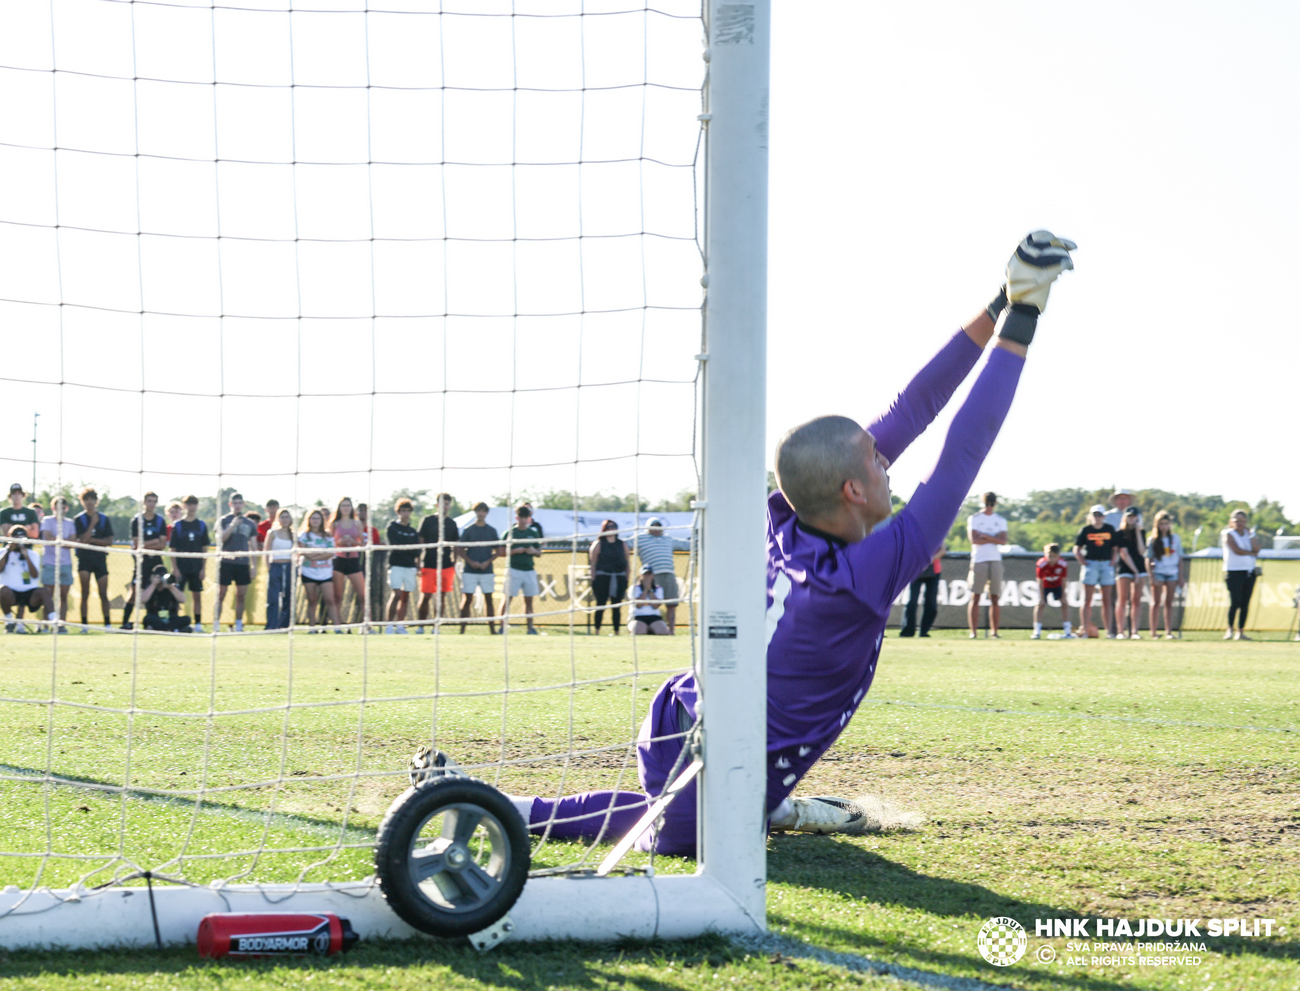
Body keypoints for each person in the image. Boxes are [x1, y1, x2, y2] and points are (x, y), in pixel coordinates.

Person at [407, 230, 1074, 856]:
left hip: (679, 709)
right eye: (877, 463)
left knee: (713, 805)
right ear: (849, 490)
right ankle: (488, 802)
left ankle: (763, 803)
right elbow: (962, 449)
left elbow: (911, 409)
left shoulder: (784, 511)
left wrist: (1001, 296)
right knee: (668, 835)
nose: (888, 463)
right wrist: (1023, 320)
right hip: (717, 750)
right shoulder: (862, 574)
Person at [122, 492, 169, 630]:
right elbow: (137, 545)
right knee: (134, 592)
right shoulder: (137, 520)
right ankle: (124, 622)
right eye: (149, 501)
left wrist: (148, 544)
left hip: (156, 563)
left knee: (155, 591)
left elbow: (163, 544)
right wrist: (154, 541)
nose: (152, 504)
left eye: (154, 501)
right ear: (144, 502)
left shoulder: (160, 520)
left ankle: (152, 623)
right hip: (141, 563)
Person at [631, 517, 687, 632]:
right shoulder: (641, 538)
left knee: (671, 604)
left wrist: (700, 539)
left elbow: (685, 544)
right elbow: (624, 544)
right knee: (653, 603)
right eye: (653, 526)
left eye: (658, 526)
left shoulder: (668, 539)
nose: (656, 529)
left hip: (669, 575)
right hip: (652, 575)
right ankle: (649, 627)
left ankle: (671, 631)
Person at [966, 492, 1008, 639]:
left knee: (995, 596)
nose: (989, 507)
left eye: (991, 504)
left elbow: (1003, 540)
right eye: (986, 504)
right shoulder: (975, 519)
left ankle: (994, 631)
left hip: (995, 559)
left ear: (995, 504)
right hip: (979, 560)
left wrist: (985, 536)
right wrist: (993, 538)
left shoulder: (1000, 520)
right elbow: (974, 540)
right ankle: (973, 632)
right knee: (976, 596)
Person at [215, 492, 259, 633]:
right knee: (221, 594)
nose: (237, 506)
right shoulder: (223, 520)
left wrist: (254, 566)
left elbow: (253, 546)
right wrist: (233, 525)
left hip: (243, 563)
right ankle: (216, 624)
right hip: (226, 562)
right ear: (230, 504)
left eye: (240, 503)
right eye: (235, 503)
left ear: (243, 504)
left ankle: (238, 624)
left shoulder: (250, 523)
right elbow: (221, 539)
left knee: (241, 596)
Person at [417, 493, 460, 631]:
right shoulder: (428, 520)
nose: (444, 506)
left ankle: (436, 626)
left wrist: (454, 561)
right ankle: (421, 626)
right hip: (429, 563)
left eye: (447, 503)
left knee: (441, 597)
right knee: (426, 596)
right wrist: (418, 562)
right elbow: (420, 542)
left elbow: (456, 544)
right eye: (442, 503)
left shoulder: (452, 524)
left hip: (446, 565)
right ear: (437, 505)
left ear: (450, 505)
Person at [74, 488, 114, 630]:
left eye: (92, 499)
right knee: (85, 593)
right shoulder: (79, 519)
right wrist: (92, 525)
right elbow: (82, 541)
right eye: (86, 499)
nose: (89, 502)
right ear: (82, 501)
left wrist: (92, 540)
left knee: (103, 593)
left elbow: (109, 541)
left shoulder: (104, 519)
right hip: (84, 560)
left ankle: (107, 624)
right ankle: (84, 624)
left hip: (100, 560)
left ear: (96, 501)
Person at [169, 495, 211, 632]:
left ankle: (198, 624)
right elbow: (173, 548)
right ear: (184, 506)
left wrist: (203, 568)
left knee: (197, 596)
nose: (191, 507)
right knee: (176, 596)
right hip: (181, 568)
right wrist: (175, 568)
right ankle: (174, 624)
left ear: (197, 506)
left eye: (194, 504)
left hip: (196, 567)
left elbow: (205, 548)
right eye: (189, 504)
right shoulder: (178, 525)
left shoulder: (201, 525)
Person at [500, 503, 544, 636]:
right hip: (513, 570)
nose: (524, 519)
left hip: (529, 570)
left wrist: (533, 551)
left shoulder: (533, 532)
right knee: (507, 599)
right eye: (521, 517)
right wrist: (515, 551)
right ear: (517, 517)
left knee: (529, 601)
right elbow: (501, 552)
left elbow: (540, 552)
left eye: (526, 517)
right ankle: (502, 628)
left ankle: (530, 628)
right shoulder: (510, 533)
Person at [1074, 505, 1117, 638]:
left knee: (1107, 600)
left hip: (1106, 564)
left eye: (1100, 515)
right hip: (1091, 564)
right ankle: (1085, 630)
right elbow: (1077, 548)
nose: (1097, 518)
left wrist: (1112, 562)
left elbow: (1115, 548)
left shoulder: (1109, 529)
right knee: (1087, 600)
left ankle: (1109, 631)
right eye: (1095, 515)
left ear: (1103, 517)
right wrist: (1084, 563)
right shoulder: (1086, 530)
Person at [458, 502, 500, 634]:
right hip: (470, 571)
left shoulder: (491, 531)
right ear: (475, 512)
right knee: (467, 599)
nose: (481, 513)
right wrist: (471, 562)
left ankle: (492, 630)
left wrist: (487, 562)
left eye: (483, 511)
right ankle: (462, 630)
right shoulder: (468, 530)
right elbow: (460, 549)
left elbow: (498, 550)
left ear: (486, 513)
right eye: (478, 511)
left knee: (489, 599)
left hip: (486, 571)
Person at [296, 508, 340, 631]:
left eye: (318, 518)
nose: (315, 521)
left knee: (330, 600)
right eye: (313, 518)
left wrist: (315, 554)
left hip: (325, 572)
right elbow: (304, 552)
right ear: (309, 520)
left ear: (322, 520)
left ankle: (337, 628)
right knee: (312, 600)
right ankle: (312, 628)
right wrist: (319, 553)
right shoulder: (304, 535)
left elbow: (331, 553)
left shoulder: (328, 536)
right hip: (308, 571)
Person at [0, 525, 43, 634]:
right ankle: (9, 622)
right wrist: (8, 550)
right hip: (8, 591)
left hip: (25, 590)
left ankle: (21, 625)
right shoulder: (2, 552)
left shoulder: (31, 554)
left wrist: (26, 556)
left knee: (27, 593)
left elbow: (35, 575)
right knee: (5, 591)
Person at [329, 497, 368, 632]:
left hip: (353, 560)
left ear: (352, 508)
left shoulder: (357, 523)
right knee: (337, 595)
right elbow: (329, 543)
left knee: (363, 594)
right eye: (343, 505)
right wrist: (338, 542)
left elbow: (363, 543)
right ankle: (337, 626)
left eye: (348, 505)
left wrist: (353, 542)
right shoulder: (334, 524)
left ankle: (366, 625)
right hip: (338, 561)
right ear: (339, 508)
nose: (346, 508)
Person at [1221, 509, 1259, 640]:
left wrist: (1251, 536)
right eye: (1237, 520)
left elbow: (1257, 549)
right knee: (1235, 601)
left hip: (1249, 571)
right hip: (1233, 571)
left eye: (1243, 521)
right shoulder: (1228, 533)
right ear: (1231, 522)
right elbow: (1236, 550)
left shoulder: (1250, 534)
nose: (1240, 523)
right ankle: (1230, 629)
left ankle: (1241, 631)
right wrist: (1251, 553)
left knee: (1245, 603)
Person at [39, 495, 77, 631]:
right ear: (52, 508)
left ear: (66, 508)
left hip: (65, 564)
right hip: (50, 563)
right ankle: (45, 625)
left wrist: (60, 541)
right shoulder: (47, 520)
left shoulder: (70, 523)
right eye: (56, 507)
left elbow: (72, 542)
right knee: (48, 597)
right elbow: (48, 537)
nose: (59, 510)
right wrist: (63, 541)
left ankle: (61, 625)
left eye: (62, 507)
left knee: (63, 597)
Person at [588, 520, 631, 636]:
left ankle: (616, 632)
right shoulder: (598, 544)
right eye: (608, 527)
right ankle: (597, 631)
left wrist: (626, 579)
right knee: (600, 605)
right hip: (602, 578)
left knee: (616, 606)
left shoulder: (622, 544)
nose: (611, 529)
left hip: (619, 578)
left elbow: (628, 563)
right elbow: (593, 563)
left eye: (613, 527)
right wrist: (594, 580)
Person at [1146, 510, 1183, 639]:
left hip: (1172, 572)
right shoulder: (1152, 540)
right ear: (1157, 525)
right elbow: (1148, 558)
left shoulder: (1175, 539)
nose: (1164, 526)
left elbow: (1179, 558)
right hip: (1158, 572)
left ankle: (1169, 632)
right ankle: (1154, 632)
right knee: (1156, 602)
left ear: (1170, 524)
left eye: (1166, 523)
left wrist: (1180, 576)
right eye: (1161, 524)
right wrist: (1151, 576)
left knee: (1169, 602)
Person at [385, 499, 420, 635]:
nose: (405, 514)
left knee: (405, 596)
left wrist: (411, 554)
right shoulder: (392, 527)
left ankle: (400, 626)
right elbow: (396, 545)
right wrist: (408, 549)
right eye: (403, 511)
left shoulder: (412, 531)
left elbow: (417, 550)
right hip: (396, 565)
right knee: (396, 594)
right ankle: (389, 625)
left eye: (408, 511)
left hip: (410, 566)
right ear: (398, 512)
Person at [1111, 507, 1147, 639]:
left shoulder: (1141, 532)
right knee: (1122, 599)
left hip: (1140, 567)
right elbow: (1124, 554)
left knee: (1136, 600)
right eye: (1129, 516)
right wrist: (1135, 571)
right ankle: (1121, 631)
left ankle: (1134, 632)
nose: (1131, 519)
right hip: (1125, 568)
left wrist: (1138, 533)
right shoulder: (1119, 533)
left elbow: (1142, 551)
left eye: (1134, 516)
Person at [898, 541, 945, 638]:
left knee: (931, 603)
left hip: (933, 571)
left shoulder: (937, 532)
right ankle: (908, 631)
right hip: (916, 569)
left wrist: (930, 559)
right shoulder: (915, 533)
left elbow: (943, 550)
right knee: (912, 602)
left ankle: (924, 632)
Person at [264, 508, 297, 630]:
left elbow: (296, 552)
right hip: (275, 566)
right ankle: (271, 625)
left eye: (287, 517)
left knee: (288, 597)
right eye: (282, 517)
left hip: (289, 567)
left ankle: (284, 625)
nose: (285, 520)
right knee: (273, 598)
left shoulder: (292, 534)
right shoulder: (272, 533)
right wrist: (268, 566)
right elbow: (266, 551)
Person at [1031, 543, 1072, 640]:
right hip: (1045, 585)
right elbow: (1040, 580)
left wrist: (1063, 594)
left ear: (1059, 556)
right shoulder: (1041, 564)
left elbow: (1064, 579)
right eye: (1050, 556)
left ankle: (1067, 631)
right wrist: (1041, 596)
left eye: (1055, 556)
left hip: (1057, 585)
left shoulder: (1062, 564)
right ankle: (1037, 631)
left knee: (1064, 604)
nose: (1052, 559)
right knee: (1040, 605)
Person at [358, 503, 386, 627]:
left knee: (368, 595)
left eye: (365, 511)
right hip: (353, 566)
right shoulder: (353, 528)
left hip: (370, 568)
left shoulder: (373, 530)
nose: (363, 513)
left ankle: (368, 623)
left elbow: (377, 546)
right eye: (360, 511)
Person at [139, 564, 190, 632]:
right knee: (147, 619)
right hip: (155, 617)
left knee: (187, 619)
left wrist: (171, 587)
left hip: (171, 617)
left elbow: (183, 600)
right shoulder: (150, 587)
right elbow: (142, 600)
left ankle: (162, 629)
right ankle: (173, 630)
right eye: (159, 576)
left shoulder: (172, 587)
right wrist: (154, 584)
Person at [627, 566, 670, 635]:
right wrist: (645, 590)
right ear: (640, 576)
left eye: (649, 574)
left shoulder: (658, 589)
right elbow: (639, 605)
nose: (647, 577)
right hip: (638, 617)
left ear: (653, 576)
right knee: (639, 632)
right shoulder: (634, 588)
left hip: (654, 617)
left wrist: (650, 590)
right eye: (645, 574)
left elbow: (655, 605)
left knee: (663, 631)